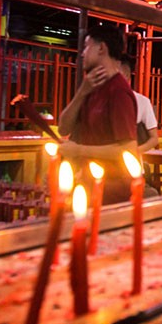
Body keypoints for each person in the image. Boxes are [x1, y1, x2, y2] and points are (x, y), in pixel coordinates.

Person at [58, 25, 138, 204]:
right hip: (90, 186)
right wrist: (82, 92)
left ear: (101, 48)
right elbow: (63, 128)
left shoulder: (118, 91)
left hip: (112, 192)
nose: (82, 54)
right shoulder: (91, 87)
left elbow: (128, 150)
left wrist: (79, 150)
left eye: (87, 47)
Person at [119, 56, 159, 153]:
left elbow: (154, 139)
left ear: (128, 79)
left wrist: (134, 152)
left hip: (132, 160)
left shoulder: (142, 102)